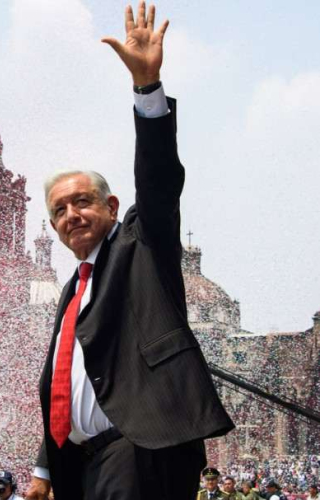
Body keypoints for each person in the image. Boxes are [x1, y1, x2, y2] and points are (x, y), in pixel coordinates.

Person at [23, 2, 234, 499]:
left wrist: (147, 88)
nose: (72, 215)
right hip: (79, 463)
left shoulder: (142, 247)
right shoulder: (73, 289)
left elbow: (159, 181)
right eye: (59, 210)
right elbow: (70, 380)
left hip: (139, 451)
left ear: (112, 206)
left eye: (82, 202)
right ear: (52, 227)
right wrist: (45, 469)